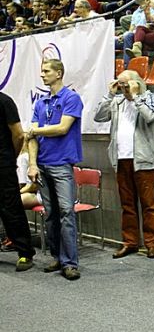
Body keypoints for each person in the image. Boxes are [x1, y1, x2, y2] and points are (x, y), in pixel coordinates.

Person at [94, 70, 154, 259]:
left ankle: (152, 243)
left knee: (148, 204)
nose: (123, 88)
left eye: (126, 84)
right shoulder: (117, 101)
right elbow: (99, 117)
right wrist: (109, 94)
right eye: (120, 85)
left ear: (136, 82)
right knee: (127, 204)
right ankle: (130, 242)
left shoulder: (149, 97)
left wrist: (136, 96)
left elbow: (150, 116)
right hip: (121, 159)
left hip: (143, 160)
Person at [27, 59, 83, 281]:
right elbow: (31, 139)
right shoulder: (41, 103)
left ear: (59, 73)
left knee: (67, 212)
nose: (42, 75)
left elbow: (62, 128)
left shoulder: (71, 98)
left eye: (46, 71)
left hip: (61, 165)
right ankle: (57, 257)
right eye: (42, 71)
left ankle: (70, 263)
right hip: (42, 164)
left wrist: (36, 130)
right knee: (51, 214)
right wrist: (32, 164)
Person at [0, 92, 35, 271]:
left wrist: (9, 157)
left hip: (3, 164)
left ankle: (25, 253)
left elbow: (19, 135)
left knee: (11, 208)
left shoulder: (5, 101)